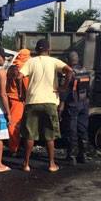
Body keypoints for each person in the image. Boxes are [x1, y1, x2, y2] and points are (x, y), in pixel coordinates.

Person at [18, 39, 74, 173]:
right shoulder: (54, 61)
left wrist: (22, 93)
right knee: (50, 135)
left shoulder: (30, 62)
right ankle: (51, 164)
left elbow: (19, 77)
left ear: (36, 50)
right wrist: (63, 87)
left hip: (32, 102)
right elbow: (70, 71)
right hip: (49, 101)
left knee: (30, 135)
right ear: (49, 50)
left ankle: (26, 164)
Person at [59, 51, 91, 165]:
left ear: (68, 60)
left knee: (71, 130)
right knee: (83, 129)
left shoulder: (68, 72)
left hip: (72, 104)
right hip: (84, 104)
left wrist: (61, 105)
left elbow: (65, 90)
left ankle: (71, 156)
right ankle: (84, 155)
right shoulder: (85, 70)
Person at [6, 49, 30, 155]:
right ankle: (14, 148)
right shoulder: (23, 68)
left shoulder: (11, 65)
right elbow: (26, 86)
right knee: (15, 125)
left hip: (9, 97)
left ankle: (13, 145)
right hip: (18, 100)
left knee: (12, 122)